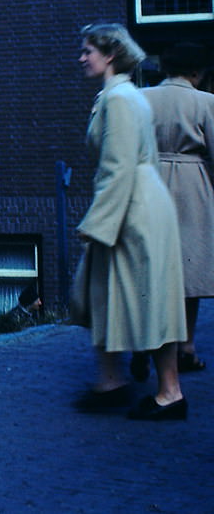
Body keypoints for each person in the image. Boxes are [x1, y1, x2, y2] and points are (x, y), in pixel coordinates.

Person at [72, 23, 187, 420]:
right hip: (141, 203)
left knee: (141, 296)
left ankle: (167, 392)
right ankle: (114, 380)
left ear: (111, 55)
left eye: (89, 50)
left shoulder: (118, 100)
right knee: (120, 293)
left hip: (131, 208)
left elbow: (117, 166)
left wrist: (97, 223)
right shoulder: (126, 95)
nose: (82, 57)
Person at [138, 42, 214, 378]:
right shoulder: (206, 102)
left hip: (150, 181)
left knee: (152, 269)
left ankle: (143, 345)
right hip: (191, 183)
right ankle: (186, 347)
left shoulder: (142, 98)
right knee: (190, 268)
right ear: (196, 72)